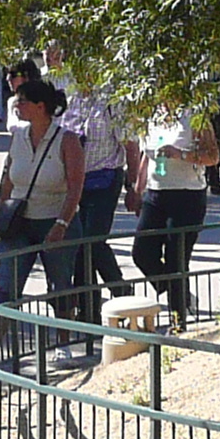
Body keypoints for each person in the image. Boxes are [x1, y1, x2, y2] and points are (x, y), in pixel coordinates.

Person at [0, 78, 85, 329]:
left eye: (22, 101)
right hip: (19, 222)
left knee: (60, 287)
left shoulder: (67, 140)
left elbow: (76, 186)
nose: (16, 106)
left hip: (54, 222)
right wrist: (2, 213)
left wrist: (61, 223)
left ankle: (64, 343)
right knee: (5, 289)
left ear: (40, 106)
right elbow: (8, 178)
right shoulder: (19, 136)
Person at [131, 105, 216, 328]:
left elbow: (213, 156)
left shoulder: (194, 115)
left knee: (176, 259)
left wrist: (181, 154)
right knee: (141, 253)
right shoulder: (151, 113)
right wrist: (138, 190)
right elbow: (147, 157)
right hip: (155, 193)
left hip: (187, 195)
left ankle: (178, 322)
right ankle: (179, 291)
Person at [58, 69, 135, 313]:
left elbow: (130, 145)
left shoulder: (111, 102)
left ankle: (120, 292)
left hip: (105, 179)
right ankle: (88, 307)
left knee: (92, 241)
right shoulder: (70, 101)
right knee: (80, 244)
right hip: (74, 182)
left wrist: (133, 186)